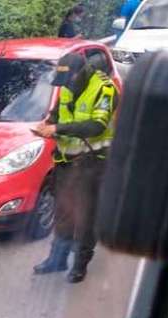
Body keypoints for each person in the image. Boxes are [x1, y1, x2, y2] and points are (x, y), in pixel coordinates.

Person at [32, 53, 118, 283]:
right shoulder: (67, 86)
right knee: (63, 212)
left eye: (69, 80)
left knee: (86, 216)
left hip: (93, 162)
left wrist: (58, 128)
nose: (66, 86)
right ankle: (57, 259)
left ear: (81, 73)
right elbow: (59, 111)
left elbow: (96, 125)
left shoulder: (104, 89)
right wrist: (48, 122)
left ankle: (80, 264)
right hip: (66, 162)